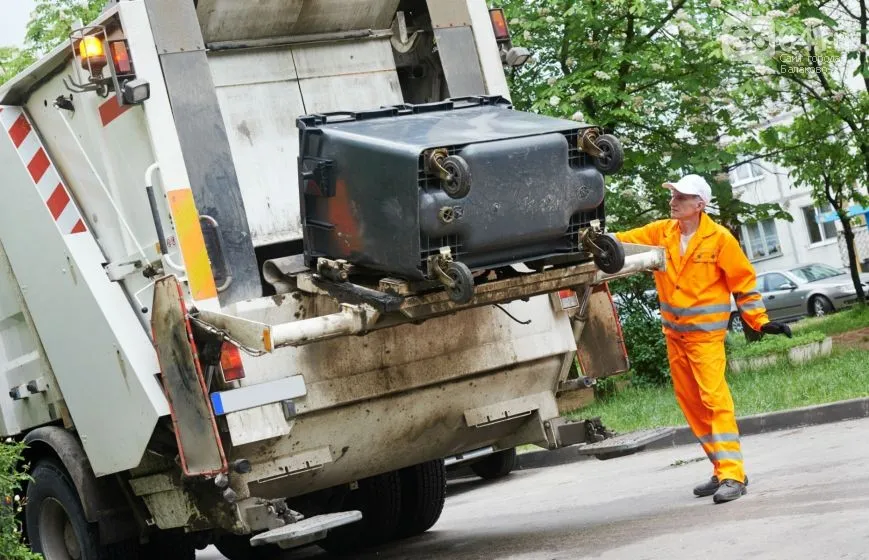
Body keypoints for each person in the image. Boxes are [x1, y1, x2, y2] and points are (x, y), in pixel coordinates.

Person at [614, 174, 792, 504]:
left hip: (705, 339)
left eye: (681, 197)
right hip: (675, 337)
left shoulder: (720, 239)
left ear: (700, 204)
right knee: (693, 405)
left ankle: (733, 476)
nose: (673, 201)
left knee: (715, 401)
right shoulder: (660, 233)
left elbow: (743, 283)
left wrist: (760, 321)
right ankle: (722, 467)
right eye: (673, 195)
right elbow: (620, 242)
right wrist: (590, 238)